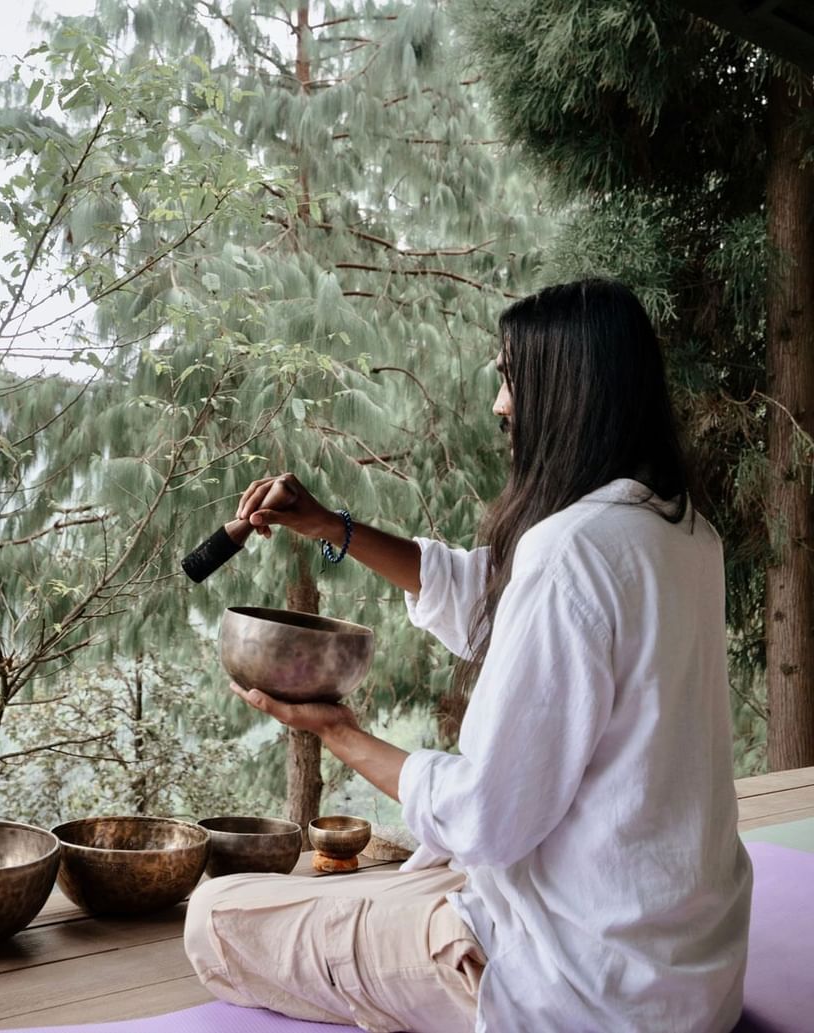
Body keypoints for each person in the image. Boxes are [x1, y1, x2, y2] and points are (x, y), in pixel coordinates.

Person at [184, 278, 753, 1033]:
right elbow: (492, 595)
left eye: (509, 378)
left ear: (569, 391)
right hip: (686, 976)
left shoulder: (573, 550)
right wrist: (329, 523)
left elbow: (487, 816)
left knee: (216, 914)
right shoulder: (682, 534)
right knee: (387, 887)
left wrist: (334, 730)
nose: (500, 405)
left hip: (579, 990)